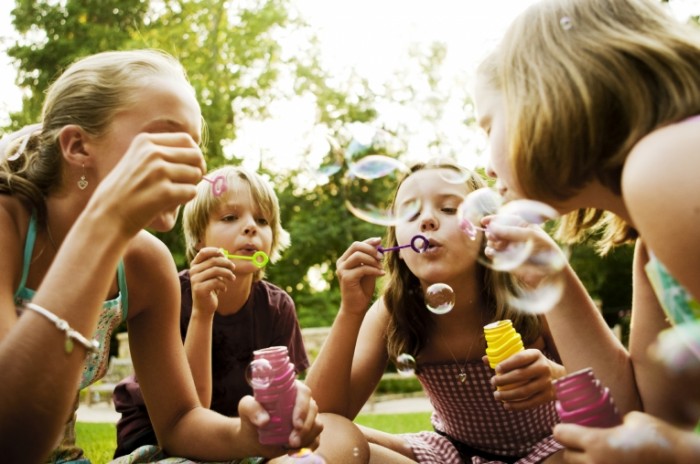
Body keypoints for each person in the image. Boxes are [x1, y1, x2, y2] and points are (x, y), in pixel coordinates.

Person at [0, 49, 322, 463]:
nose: (192, 162)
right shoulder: (7, 224)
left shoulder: (146, 264)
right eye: (166, 138)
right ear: (78, 146)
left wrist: (248, 435)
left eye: (193, 145)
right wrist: (106, 223)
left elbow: (181, 421)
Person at [474, 0, 700, 461]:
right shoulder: (650, 249)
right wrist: (546, 273)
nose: (485, 160)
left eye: (487, 125)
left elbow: (670, 437)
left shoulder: (669, 163)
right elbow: (645, 411)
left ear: (544, 98)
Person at [305, 159, 568, 463]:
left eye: (448, 209)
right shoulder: (393, 311)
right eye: (411, 213)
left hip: (551, 448)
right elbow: (318, 416)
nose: (427, 221)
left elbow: (612, 390)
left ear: (485, 230)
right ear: (397, 244)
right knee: (328, 434)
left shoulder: (530, 291)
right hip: (451, 455)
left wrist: (559, 379)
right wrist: (350, 311)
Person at [113, 165, 369, 463]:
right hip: (162, 441)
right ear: (198, 238)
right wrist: (202, 312)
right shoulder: (172, 293)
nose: (251, 227)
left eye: (262, 220)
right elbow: (188, 415)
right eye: (230, 217)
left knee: (343, 434)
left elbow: (286, 402)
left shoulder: (276, 306)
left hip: (243, 441)